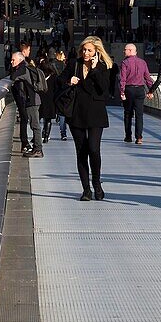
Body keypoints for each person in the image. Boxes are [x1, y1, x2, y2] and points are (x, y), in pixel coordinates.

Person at [59, 36, 112, 200]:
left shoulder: (103, 66)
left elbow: (104, 89)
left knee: (94, 150)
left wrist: (95, 69)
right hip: (76, 112)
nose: (86, 53)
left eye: (89, 50)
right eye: (84, 49)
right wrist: (69, 81)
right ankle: (86, 190)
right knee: (81, 151)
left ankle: (97, 184)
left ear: (97, 51)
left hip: (96, 113)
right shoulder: (74, 63)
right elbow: (59, 80)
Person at [119, 42, 155, 144]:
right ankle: (139, 137)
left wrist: (122, 91)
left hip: (129, 90)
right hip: (140, 90)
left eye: (125, 50)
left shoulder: (125, 63)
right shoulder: (143, 62)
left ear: (130, 51)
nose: (124, 51)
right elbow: (148, 78)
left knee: (128, 113)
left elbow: (123, 79)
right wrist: (150, 90)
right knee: (139, 115)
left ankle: (128, 136)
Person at [10, 50, 43, 158]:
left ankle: (38, 149)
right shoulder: (26, 67)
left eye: (13, 60)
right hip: (33, 100)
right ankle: (36, 148)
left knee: (35, 125)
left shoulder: (23, 69)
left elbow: (13, 77)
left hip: (32, 101)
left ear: (20, 60)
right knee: (35, 125)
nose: (11, 62)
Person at [38, 53, 57, 143]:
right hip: (51, 100)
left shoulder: (39, 76)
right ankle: (46, 136)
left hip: (40, 99)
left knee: (37, 118)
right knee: (48, 120)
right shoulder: (53, 76)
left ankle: (37, 136)